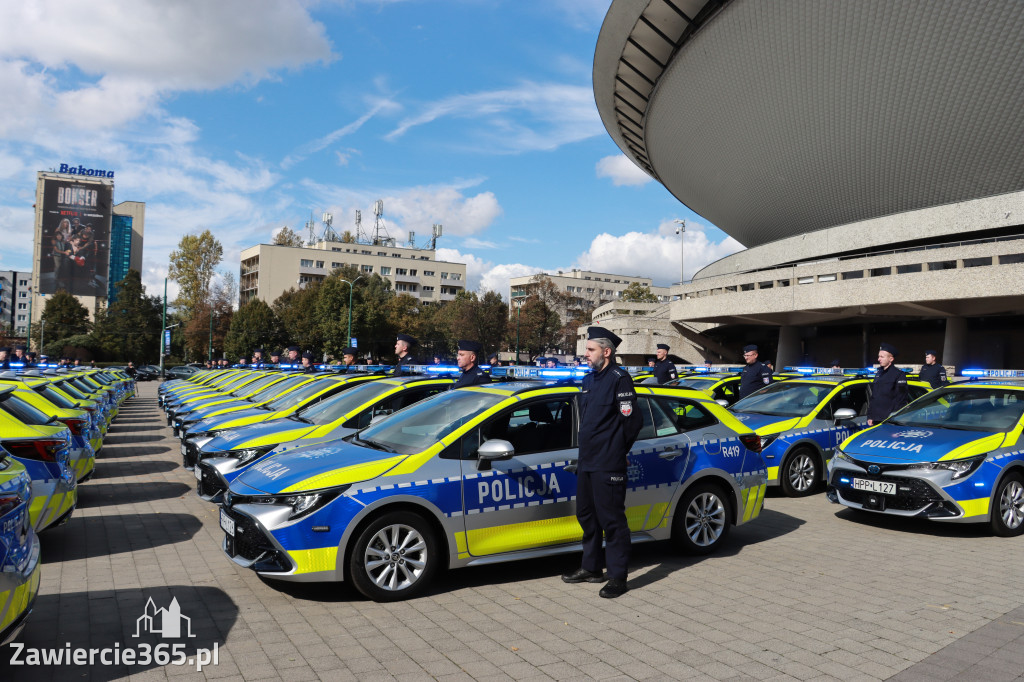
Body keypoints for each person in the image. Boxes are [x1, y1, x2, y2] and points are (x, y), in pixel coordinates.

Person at [562, 326, 642, 599]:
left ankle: (618, 577)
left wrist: (617, 452)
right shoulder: (589, 380)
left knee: (613, 521)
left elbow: (632, 423)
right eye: (586, 349)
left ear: (606, 352)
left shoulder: (620, 379)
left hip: (608, 463)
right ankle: (591, 568)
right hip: (587, 461)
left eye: (590, 349)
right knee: (586, 516)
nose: (585, 354)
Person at [867, 343, 909, 426]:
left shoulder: (899, 375)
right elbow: (874, 397)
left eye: (882, 357)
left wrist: (895, 420)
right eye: (879, 356)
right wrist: (870, 416)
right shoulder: (878, 373)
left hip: (889, 421)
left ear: (891, 359)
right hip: (876, 420)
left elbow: (901, 400)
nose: (879, 359)